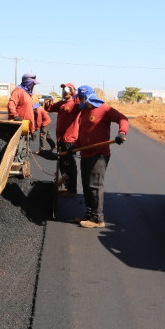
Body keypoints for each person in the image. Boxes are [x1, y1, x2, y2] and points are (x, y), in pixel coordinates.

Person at [73, 85, 129, 229]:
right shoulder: (84, 112)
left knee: (95, 186)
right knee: (86, 185)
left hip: (99, 155)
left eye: (80, 98)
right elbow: (83, 132)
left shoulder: (104, 109)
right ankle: (90, 214)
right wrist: (74, 146)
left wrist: (122, 133)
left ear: (88, 97)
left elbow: (123, 119)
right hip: (85, 153)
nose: (79, 101)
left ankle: (98, 219)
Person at [44, 82, 81, 197]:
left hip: (70, 140)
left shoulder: (75, 103)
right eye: (63, 90)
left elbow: (80, 100)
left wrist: (73, 91)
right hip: (60, 139)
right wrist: (48, 103)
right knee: (62, 163)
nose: (64, 92)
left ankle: (72, 190)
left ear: (71, 91)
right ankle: (67, 187)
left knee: (69, 164)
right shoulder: (61, 103)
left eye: (67, 90)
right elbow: (49, 108)